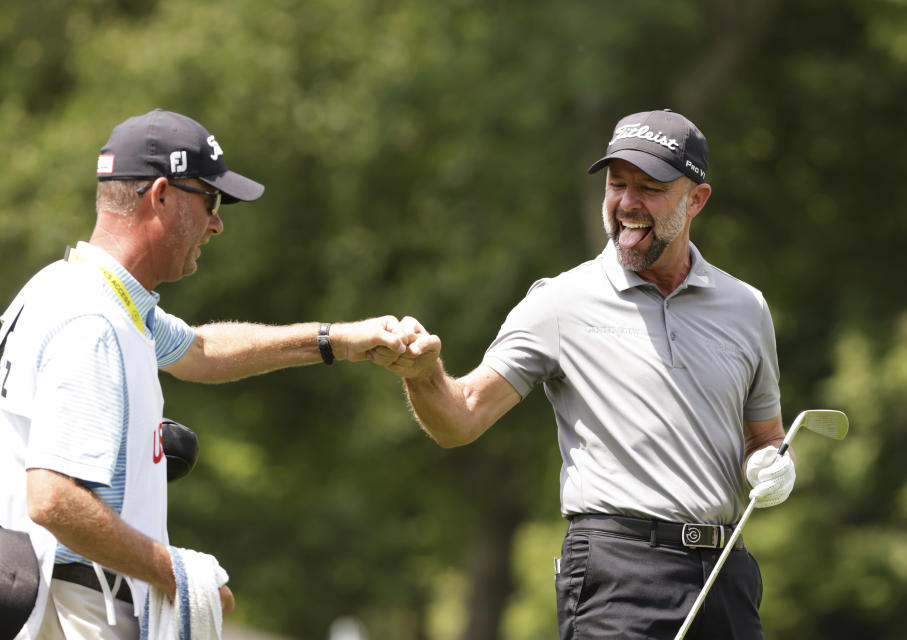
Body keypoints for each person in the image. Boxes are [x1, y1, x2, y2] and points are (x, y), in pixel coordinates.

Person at [384, 109, 797, 639]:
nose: (627, 203)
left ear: (696, 199)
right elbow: (460, 419)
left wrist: (771, 464)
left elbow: (765, 437)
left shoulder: (746, 307)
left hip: (726, 573)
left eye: (649, 188)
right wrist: (422, 373)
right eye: (617, 184)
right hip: (618, 572)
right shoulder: (561, 302)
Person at [0, 108, 412, 639]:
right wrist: (180, 575)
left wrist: (334, 340)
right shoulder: (93, 321)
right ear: (162, 196)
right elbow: (53, 498)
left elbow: (199, 349)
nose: (217, 223)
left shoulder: (81, 292)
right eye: (211, 201)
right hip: (72, 608)